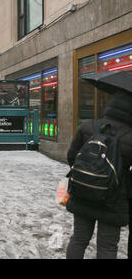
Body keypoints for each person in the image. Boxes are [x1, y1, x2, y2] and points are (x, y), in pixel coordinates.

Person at [66, 91, 132, 259]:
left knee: (79, 239)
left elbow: (72, 156)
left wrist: (90, 175)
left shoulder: (88, 126)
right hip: (114, 199)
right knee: (108, 247)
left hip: (83, 193)